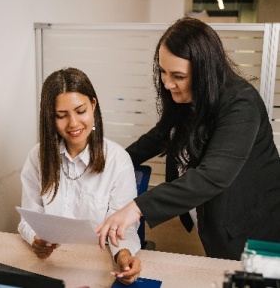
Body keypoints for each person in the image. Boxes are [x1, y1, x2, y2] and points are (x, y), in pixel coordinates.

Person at [96, 17, 280, 261]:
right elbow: (157, 137)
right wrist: (107, 163)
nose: (168, 83)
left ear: (205, 72)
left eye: (178, 76)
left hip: (252, 226)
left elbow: (212, 175)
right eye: (163, 72)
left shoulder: (241, 104)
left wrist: (137, 207)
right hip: (215, 220)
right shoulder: (189, 98)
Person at [18, 67, 141, 285]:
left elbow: (123, 228)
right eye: (61, 116)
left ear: (93, 105)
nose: (73, 124)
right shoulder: (37, 157)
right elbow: (29, 217)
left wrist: (123, 256)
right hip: (52, 266)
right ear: (50, 118)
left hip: (96, 265)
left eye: (80, 111)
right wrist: (36, 239)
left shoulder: (117, 160)